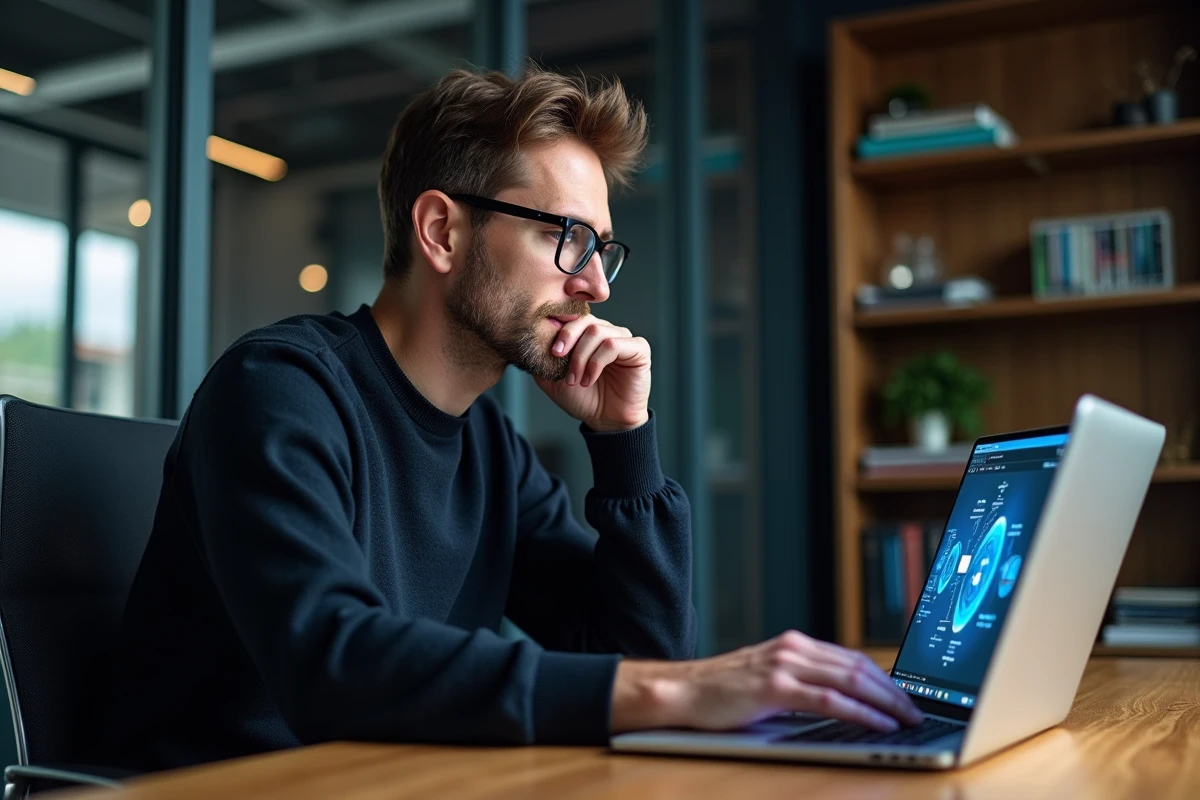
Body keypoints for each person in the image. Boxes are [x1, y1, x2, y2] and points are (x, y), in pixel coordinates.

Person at [99, 66, 920, 772]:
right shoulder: (278, 389)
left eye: (602, 246)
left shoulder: (492, 448)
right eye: (567, 237)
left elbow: (642, 660)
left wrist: (623, 443)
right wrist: (672, 689)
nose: (596, 284)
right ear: (441, 231)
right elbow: (331, 661)